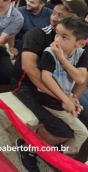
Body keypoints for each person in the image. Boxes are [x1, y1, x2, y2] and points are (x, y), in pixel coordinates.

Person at [13, 0, 88, 170]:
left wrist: (73, 97)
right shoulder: (39, 35)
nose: (54, 17)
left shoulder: (81, 46)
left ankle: (65, 158)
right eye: (54, 12)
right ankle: (28, 146)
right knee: (63, 129)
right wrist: (65, 99)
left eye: (61, 15)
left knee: (84, 120)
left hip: (62, 90)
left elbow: (83, 78)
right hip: (29, 88)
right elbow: (32, 72)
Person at [38, 17, 88, 155]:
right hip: (49, 98)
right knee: (82, 133)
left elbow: (81, 78)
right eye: (57, 34)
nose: (57, 40)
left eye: (64, 37)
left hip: (64, 97)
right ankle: (59, 157)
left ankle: (56, 152)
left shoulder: (81, 54)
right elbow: (45, 78)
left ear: (80, 43)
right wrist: (66, 100)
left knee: (80, 115)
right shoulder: (49, 52)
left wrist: (62, 59)